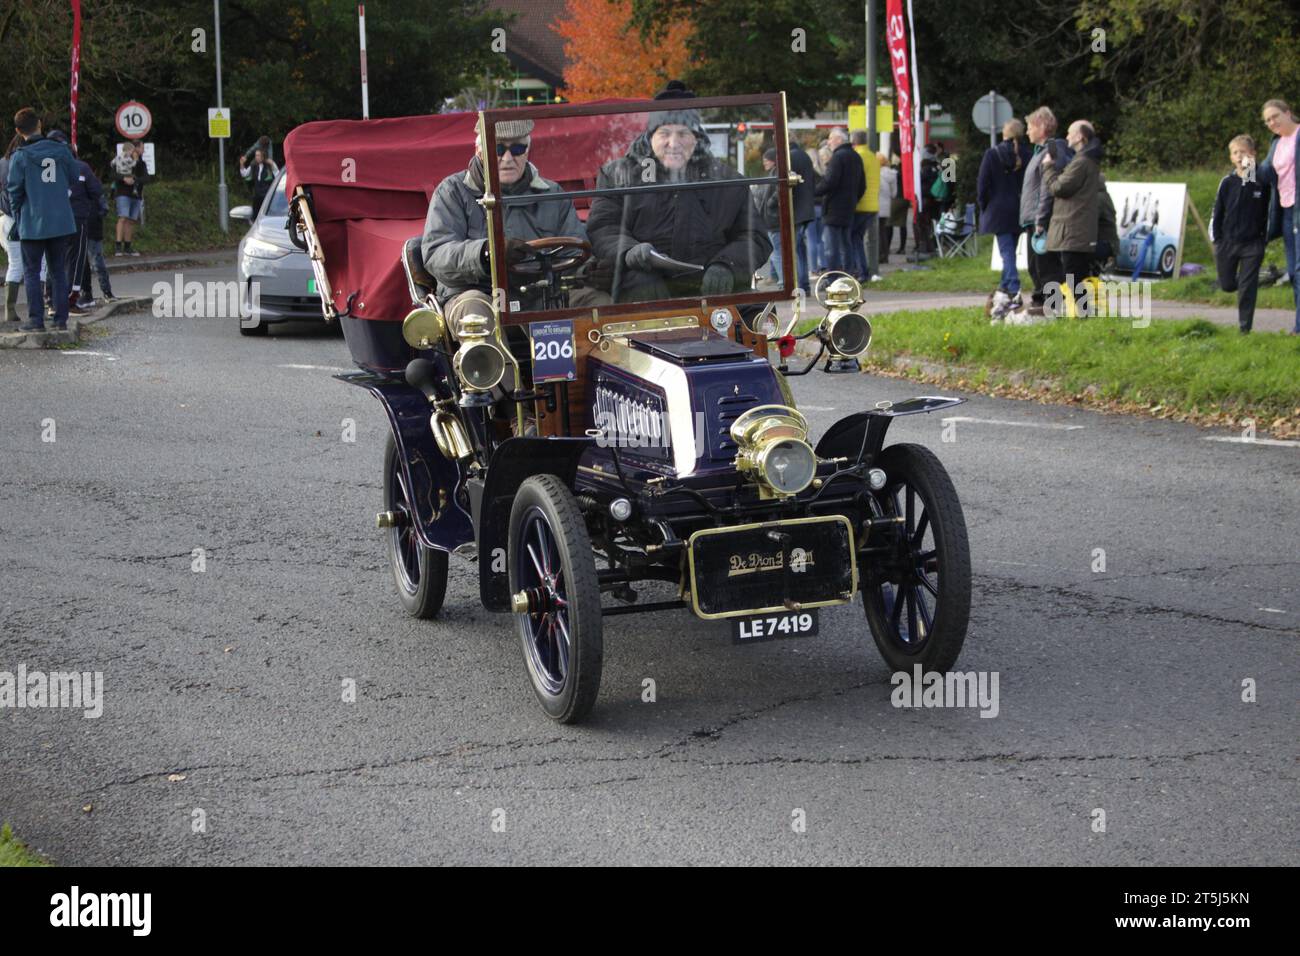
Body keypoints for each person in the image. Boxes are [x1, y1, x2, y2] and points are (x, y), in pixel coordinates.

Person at [586, 80, 770, 303]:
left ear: (696, 138)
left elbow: (754, 237)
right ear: (650, 136)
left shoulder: (728, 180)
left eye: (683, 133)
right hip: (640, 289)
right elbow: (603, 227)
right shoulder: (618, 175)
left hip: (710, 289)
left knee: (758, 314)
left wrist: (727, 265)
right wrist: (630, 251)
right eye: (664, 133)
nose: (674, 143)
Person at [423, 116, 599, 312]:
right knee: (474, 311)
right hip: (480, 293)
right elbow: (436, 255)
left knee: (596, 302)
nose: (507, 159)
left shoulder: (552, 193)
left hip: (541, 293)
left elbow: (574, 251)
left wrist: (590, 271)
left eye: (517, 149)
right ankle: (487, 345)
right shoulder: (453, 192)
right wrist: (488, 252)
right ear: (480, 153)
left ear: (527, 152)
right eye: (498, 149)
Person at [5, 107, 76, 331]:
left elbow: (13, 191)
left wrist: (18, 216)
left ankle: (36, 320)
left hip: (31, 221)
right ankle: (61, 319)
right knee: (58, 270)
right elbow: (74, 178)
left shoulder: (20, 156)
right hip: (60, 220)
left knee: (32, 272)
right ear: (40, 125)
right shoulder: (62, 151)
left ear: (18, 130)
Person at [1040, 120, 1103, 316]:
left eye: (1069, 133)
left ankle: (1084, 313)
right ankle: (1082, 312)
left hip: (1073, 229)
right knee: (1075, 274)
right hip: (1077, 228)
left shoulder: (1082, 162)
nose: (1066, 137)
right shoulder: (1085, 161)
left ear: (1079, 136)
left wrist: (1049, 167)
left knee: (1073, 275)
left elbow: (1060, 188)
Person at [1211, 135, 1272, 333]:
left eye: (1244, 152)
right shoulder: (1227, 182)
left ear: (1253, 154)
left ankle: (1244, 329)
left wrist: (1264, 238)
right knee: (1227, 285)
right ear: (1231, 157)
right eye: (1235, 152)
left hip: (1253, 244)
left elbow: (1270, 212)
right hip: (1227, 242)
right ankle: (1247, 283)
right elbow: (1217, 212)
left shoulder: (1262, 183)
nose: (1240, 156)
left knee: (1247, 287)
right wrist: (1218, 239)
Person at [978, 118, 1032, 319]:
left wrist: (984, 207)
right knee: (1010, 250)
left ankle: (1013, 285)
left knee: (1006, 251)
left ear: (1004, 134)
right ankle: (1004, 287)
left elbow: (983, 185)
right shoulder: (1028, 155)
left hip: (998, 209)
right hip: (1019, 208)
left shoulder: (992, 154)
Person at [48, 130, 101, 317]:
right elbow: (96, 191)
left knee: (54, 259)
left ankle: (51, 300)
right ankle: (71, 300)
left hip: (53, 219)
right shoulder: (81, 167)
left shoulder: (46, 166)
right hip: (77, 218)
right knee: (76, 260)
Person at [1260, 98, 1299, 334]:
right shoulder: (1277, 143)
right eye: (1267, 120)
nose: (1272, 122)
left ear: (1288, 112)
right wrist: (1244, 161)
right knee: (1293, 272)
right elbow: (1264, 172)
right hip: (1286, 212)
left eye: (1275, 116)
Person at [1019, 106, 1059, 314]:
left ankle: (1049, 305)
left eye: (1030, 127)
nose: (1027, 132)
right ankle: (1039, 300)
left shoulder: (1050, 152)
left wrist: (1040, 219)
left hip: (1039, 219)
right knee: (1034, 266)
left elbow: (1046, 189)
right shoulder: (1038, 152)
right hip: (1032, 217)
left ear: (1041, 127)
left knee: (1045, 266)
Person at [813, 127, 864, 275]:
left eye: (830, 138)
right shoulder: (856, 157)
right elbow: (862, 185)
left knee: (831, 248)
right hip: (849, 208)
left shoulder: (837, 157)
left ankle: (833, 278)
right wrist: (854, 199)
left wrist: (813, 192)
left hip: (833, 208)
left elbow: (830, 182)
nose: (828, 142)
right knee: (846, 244)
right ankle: (848, 274)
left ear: (839, 140)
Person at [850, 129, 881, 282]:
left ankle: (861, 272)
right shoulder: (873, 157)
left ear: (853, 142)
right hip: (873, 204)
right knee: (859, 238)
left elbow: (856, 181)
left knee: (854, 239)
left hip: (860, 205)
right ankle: (864, 271)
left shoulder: (858, 157)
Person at [0, 133, 24, 323]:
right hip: (22, 219)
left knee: (14, 263)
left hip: (4, 218)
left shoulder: (2, 163)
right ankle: (38, 308)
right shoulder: (24, 163)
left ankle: (10, 310)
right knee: (38, 263)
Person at [788, 135, 816, 292]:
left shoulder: (790, 157)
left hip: (796, 209)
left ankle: (800, 286)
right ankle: (804, 285)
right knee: (800, 249)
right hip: (806, 208)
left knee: (795, 250)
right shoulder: (804, 155)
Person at [112, 140, 147, 256]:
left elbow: (146, 178)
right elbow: (113, 174)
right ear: (134, 149)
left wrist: (135, 180)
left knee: (131, 221)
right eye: (141, 148)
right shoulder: (120, 160)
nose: (143, 151)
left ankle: (127, 246)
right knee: (123, 218)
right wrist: (124, 179)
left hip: (136, 195)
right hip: (123, 193)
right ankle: (117, 246)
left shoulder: (141, 163)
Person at [756, 148, 783, 284]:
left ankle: (782, 281)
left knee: (776, 252)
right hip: (771, 219)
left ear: (773, 161)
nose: (764, 163)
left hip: (773, 219)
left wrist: (770, 203)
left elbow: (777, 193)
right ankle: (776, 277)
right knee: (775, 250)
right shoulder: (772, 173)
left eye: (766, 160)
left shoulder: (775, 174)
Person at [240, 148, 279, 214]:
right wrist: (242, 164)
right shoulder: (253, 165)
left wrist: (272, 165)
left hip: (267, 195)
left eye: (259, 155)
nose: (257, 157)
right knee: (255, 214)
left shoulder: (270, 164)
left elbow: (278, 175)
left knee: (267, 213)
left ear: (263, 156)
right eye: (256, 155)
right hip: (257, 195)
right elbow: (244, 174)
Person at [877, 153, 896, 265]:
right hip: (886, 205)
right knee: (883, 231)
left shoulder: (876, 173)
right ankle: (885, 254)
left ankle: (879, 255)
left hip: (875, 204)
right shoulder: (892, 174)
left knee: (876, 232)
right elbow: (894, 193)